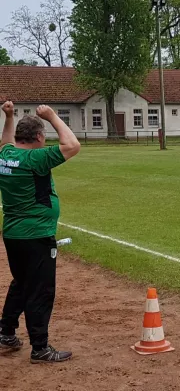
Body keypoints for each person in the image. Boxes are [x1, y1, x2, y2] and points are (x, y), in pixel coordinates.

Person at [0, 102, 80, 363]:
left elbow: (5, 143)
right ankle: (40, 348)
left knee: (22, 284)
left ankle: (6, 333)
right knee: (41, 291)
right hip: (36, 235)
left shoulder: (5, 155)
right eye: (43, 137)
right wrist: (52, 116)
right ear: (38, 137)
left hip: (14, 234)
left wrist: (9, 117)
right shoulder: (36, 158)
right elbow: (72, 145)